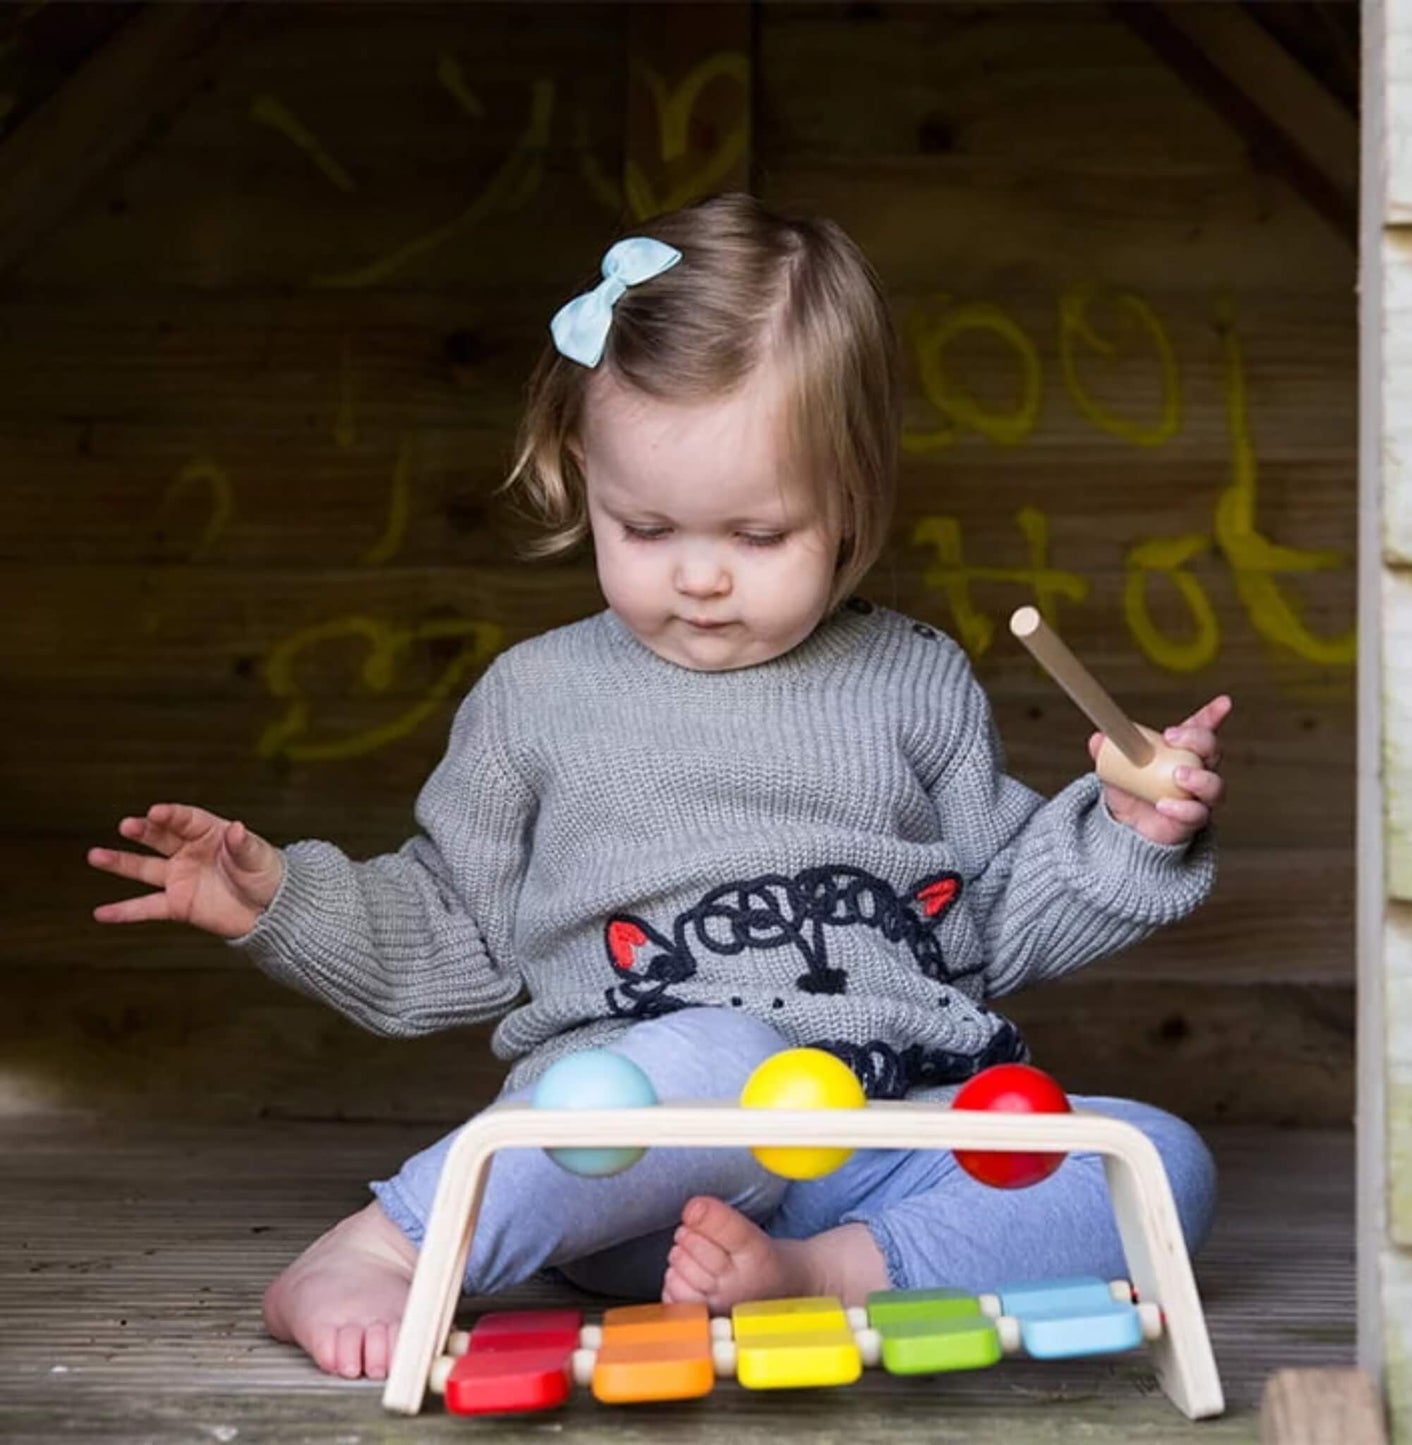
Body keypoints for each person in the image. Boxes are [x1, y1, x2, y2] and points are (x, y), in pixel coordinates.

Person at [88, 193, 1229, 1384]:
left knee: (1151, 1160)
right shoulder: (537, 697)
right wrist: (281, 901)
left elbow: (984, 915)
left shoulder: (915, 678)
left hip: (887, 1137)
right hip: (645, 1160)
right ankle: (389, 1242)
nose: (699, 577)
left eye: (756, 534)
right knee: (723, 1054)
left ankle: (829, 1273)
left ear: (852, 496)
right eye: (644, 527)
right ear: (584, 478)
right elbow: (458, 925)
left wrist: (1125, 829)